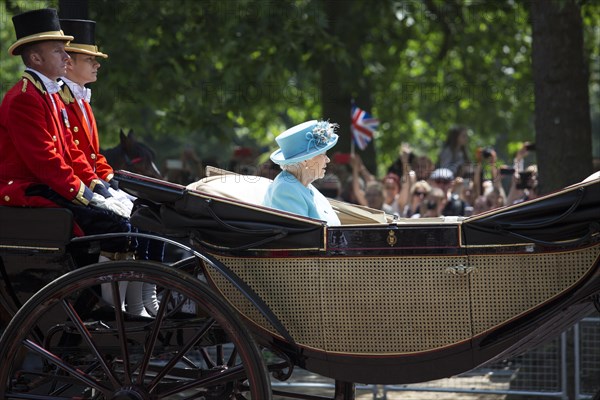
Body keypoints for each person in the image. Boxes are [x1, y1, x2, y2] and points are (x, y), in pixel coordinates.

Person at [0, 9, 144, 315]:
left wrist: (103, 190)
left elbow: (73, 154)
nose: (66, 57)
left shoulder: (49, 95)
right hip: (28, 187)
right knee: (114, 226)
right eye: (58, 50)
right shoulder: (26, 97)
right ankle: (107, 307)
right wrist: (90, 197)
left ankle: (129, 305)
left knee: (124, 223)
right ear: (36, 59)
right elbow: (47, 163)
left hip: (48, 182)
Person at [263, 120, 341, 225]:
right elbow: (302, 238)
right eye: (323, 154)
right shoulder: (286, 189)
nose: (328, 160)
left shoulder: (305, 186)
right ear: (305, 160)